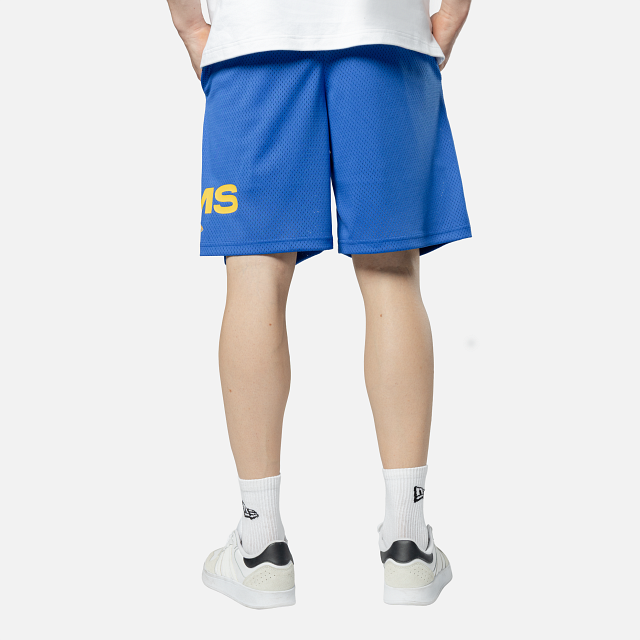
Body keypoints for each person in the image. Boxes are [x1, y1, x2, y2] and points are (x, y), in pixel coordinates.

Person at [166, 0, 472, 609]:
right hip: (386, 34)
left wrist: (191, 26)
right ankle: (408, 545)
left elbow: (190, 19)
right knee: (392, 273)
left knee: (255, 272)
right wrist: (448, 18)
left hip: (255, 40)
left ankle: (259, 547)